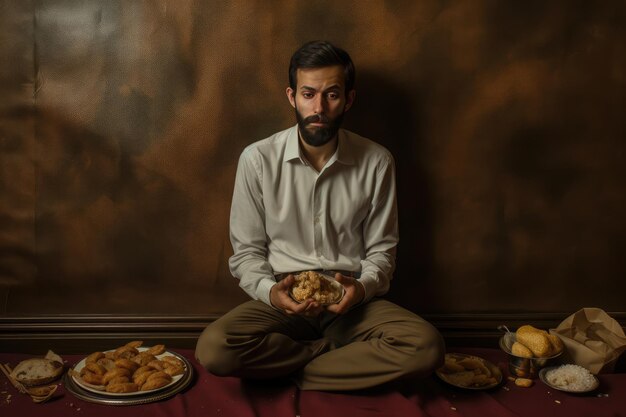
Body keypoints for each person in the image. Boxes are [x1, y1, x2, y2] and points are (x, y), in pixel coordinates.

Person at [195, 40, 444, 391]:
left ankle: (294, 368)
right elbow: (247, 253)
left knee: (426, 347)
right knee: (214, 349)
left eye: (331, 95)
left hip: (351, 304)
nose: (319, 108)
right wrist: (271, 292)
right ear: (291, 96)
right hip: (284, 302)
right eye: (308, 94)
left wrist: (359, 289)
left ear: (349, 99)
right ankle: (336, 358)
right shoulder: (257, 160)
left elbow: (382, 253)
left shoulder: (376, 161)